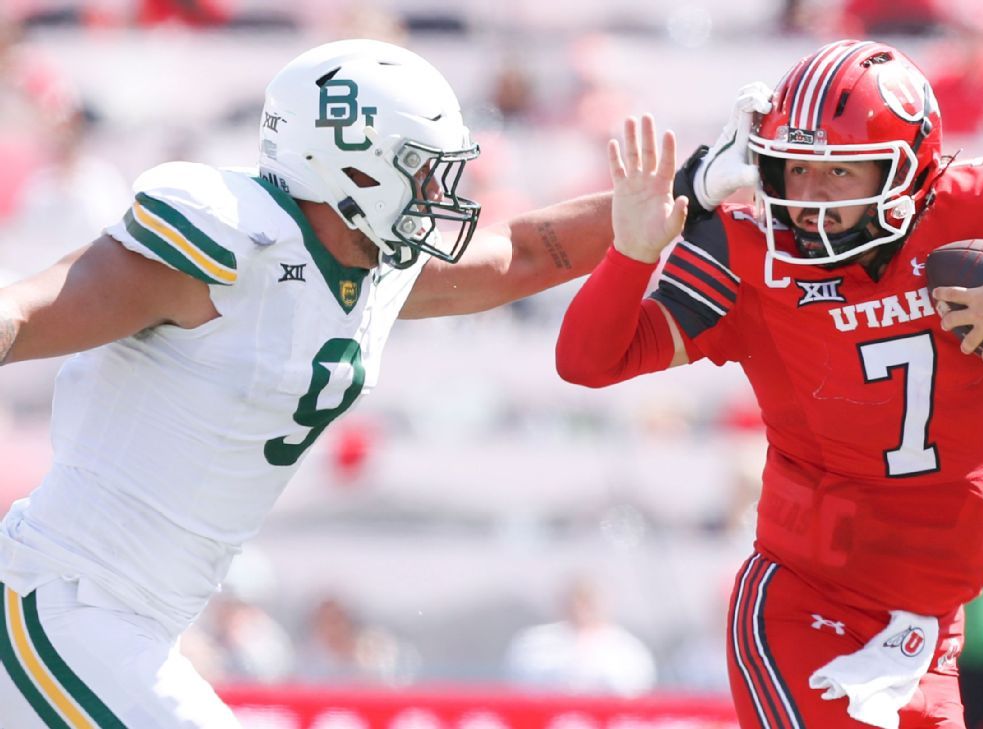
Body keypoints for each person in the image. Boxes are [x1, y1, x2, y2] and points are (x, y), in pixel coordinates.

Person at [556, 39, 983, 729]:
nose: (807, 200)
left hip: (929, 632)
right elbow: (589, 359)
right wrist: (632, 252)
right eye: (793, 171)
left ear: (911, 168)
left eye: (839, 175)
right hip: (810, 606)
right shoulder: (751, 248)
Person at [0, 38, 617, 727]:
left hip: (135, 623)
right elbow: (25, 312)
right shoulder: (230, 243)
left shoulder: (371, 271)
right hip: (62, 602)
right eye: (421, 170)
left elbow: (523, 254)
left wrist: (688, 193)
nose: (439, 194)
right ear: (352, 163)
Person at [503, 575, 657, 696]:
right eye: (577, 601)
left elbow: (636, 688)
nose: (582, 609)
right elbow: (522, 683)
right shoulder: (536, 641)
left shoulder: (626, 647)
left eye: (588, 602)